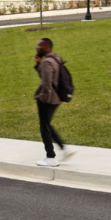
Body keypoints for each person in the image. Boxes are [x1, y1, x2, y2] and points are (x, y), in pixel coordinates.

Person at [34, 38, 73, 167]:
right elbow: (46, 76)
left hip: (48, 99)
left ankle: (51, 157)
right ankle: (64, 149)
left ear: (46, 47)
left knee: (44, 127)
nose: (37, 48)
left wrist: (43, 99)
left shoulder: (47, 62)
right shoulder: (55, 58)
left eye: (39, 46)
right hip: (56, 99)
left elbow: (46, 83)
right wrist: (38, 64)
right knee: (47, 125)